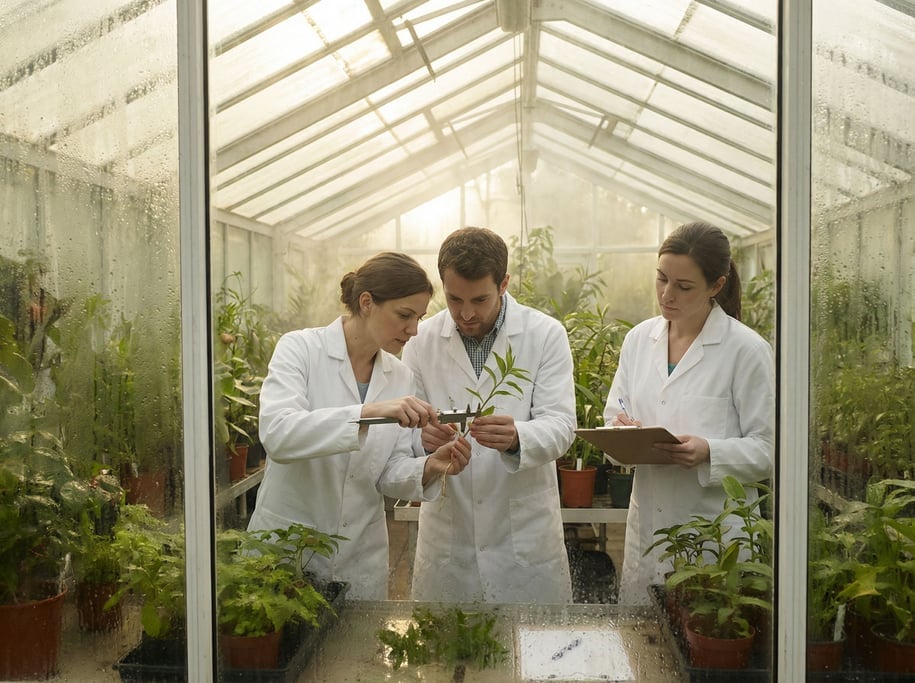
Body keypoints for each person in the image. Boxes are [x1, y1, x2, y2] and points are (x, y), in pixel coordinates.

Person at [248, 252, 471, 601]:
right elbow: (279, 434)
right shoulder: (301, 349)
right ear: (366, 302)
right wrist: (368, 411)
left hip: (359, 554)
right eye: (404, 315)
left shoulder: (399, 375)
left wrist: (429, 466)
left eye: (419, 318)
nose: (413, 330)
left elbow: (387, 470)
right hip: (288, 545)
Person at [603, 221, 775, 605]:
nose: (667, 294)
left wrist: (709, 452)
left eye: (683, 287)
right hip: (648, 526)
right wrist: (623, 433)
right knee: (644, 649)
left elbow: (767, 450)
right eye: (661, 279)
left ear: (716, 285)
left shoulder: (745, 350)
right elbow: (616, 414)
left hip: (717, 540)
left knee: (709, 639)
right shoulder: (638, 341)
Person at [401, 226, 576, 603]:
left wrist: (518, 439)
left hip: (523, 540)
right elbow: (405, 431)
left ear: (504, 283)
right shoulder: (420, 341)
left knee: (533, 653)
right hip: (450, 538)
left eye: (479, 299)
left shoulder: (545, 335)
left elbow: (562, 425)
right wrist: (423, 440)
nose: (465, 313)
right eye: (454, 299)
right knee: (444, 654)